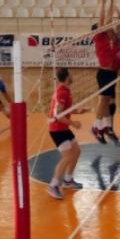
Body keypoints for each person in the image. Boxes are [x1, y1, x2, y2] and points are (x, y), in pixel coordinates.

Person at [47, 67, 88, 200]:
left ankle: (68, 180)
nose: (72, 76)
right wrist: (73, 123)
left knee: (76, 151)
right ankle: (53, 185)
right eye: (70, 75)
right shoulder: (61, 92)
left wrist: (77, 111)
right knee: (68, 156)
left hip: (63, 128)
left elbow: (65, 109)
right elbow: (59, 115)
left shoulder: (65, 90)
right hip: (57, 129)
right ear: (66, 77)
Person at [91, 0, 120, 144]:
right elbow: (104, 20)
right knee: (103, 100)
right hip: (103, 73)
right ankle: (96, 127)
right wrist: (104, 3)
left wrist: (113, 3)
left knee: (110, 102)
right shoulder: (98, 37)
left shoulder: (110, 38)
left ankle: (108, 128)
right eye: (100, 26)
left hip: (112, 73)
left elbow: (109, 22)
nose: (103, 26)